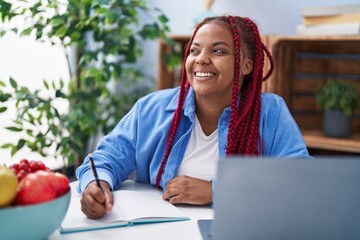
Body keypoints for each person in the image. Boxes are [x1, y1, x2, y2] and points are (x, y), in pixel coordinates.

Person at [76, 15, 310, 219]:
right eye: (195, 50)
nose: (201, 59)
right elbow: (107, 158)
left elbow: (300, 180)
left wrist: (214, 191)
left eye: (218, 50)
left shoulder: (270, 112)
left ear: (246, 66)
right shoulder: (151, 108)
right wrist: (97, 185)